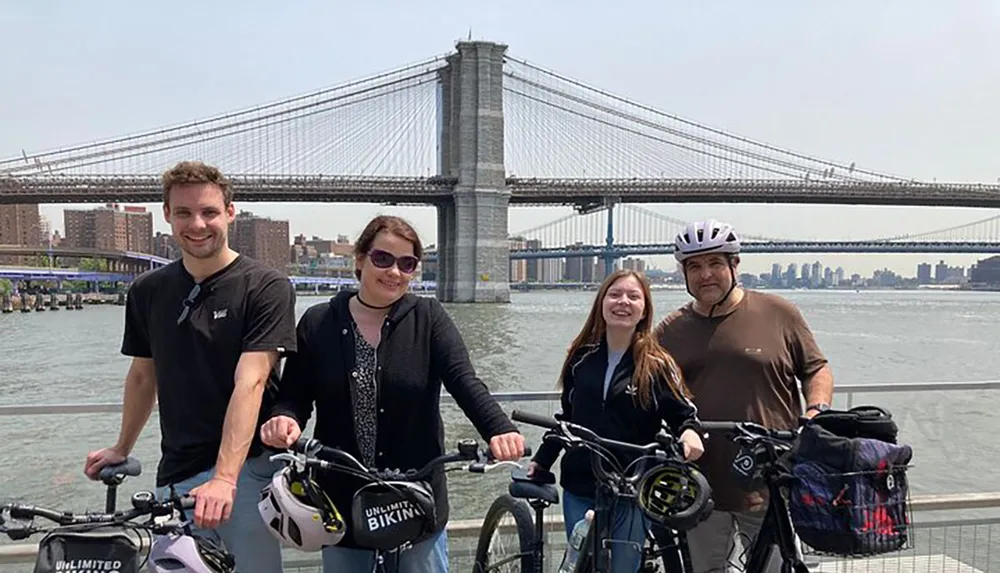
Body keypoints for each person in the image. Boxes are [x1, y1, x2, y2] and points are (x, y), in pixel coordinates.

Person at [259, 214, 526, 573]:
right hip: (342, 502)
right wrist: (284, 419)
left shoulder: (428, 317)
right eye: (382, 259)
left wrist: (499, 428)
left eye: (407, 263)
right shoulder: (318, 322)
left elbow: (463, 380)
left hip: (414, 502)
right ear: (360, 259)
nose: (394, 272)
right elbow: (295, 396)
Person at [83, 161, 297, 573]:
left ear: (230, 213)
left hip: (248, 475)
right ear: (167, 215)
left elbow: (250, 382)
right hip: (174, 477)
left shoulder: (266, 286)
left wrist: (224, 479)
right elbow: (145, 376)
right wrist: (121, 447)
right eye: (183, 213)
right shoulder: (148, 290)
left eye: (209, 212)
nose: (197, 224)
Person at [655, 219, 835, 573]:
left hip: (770, 482)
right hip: (699, 486)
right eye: (694, 266)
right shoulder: (669, 331)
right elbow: (647, 392)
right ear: (683, 273)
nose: (705, 274)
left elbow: (816, 369)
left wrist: (815, 412)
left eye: (715, 264)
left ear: (735, 265)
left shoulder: (779, 313)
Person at [528, 269, 706, 573]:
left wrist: (690, 433)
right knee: (581, 562)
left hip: (631, 485)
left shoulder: (656, 364)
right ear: (601, 303)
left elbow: (683, 414)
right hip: (581, 480)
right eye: (615, 294)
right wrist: (542, 461)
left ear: (644, 310)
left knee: (623, 567)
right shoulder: (581, 357)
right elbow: (567, 418)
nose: (623, 302)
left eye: (633, 296)